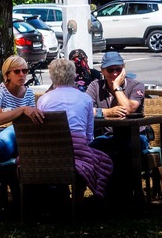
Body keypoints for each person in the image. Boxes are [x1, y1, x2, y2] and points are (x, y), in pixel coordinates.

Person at [36, 57, 113, 197]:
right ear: (73, 75)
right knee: (99, 158)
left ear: (52, 77)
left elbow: (41, 130)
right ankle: (79, 198)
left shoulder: (44, 100)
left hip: (51, 151)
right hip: (78, 149)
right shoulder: (85, 98)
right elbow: (89, 135)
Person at [87, 50, 148, 152]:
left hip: (134, 135)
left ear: (123, 68)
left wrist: (116, 86)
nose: (115, 73)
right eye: (110, 70)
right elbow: (87, 110)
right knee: (91, 149)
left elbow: (129, 109)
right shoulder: (95, 86)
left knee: (126, 148)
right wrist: (108, 112)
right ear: (102, 71)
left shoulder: (136, 85)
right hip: (107, 136)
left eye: (118, 69)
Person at [0, 55, 37, 157]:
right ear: (7, 75)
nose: (21, 74)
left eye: (25, 71)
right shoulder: (0, 91)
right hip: (2, 138)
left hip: (23, 137)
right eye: (17, 71)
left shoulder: (29, 93)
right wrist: (21, 110)